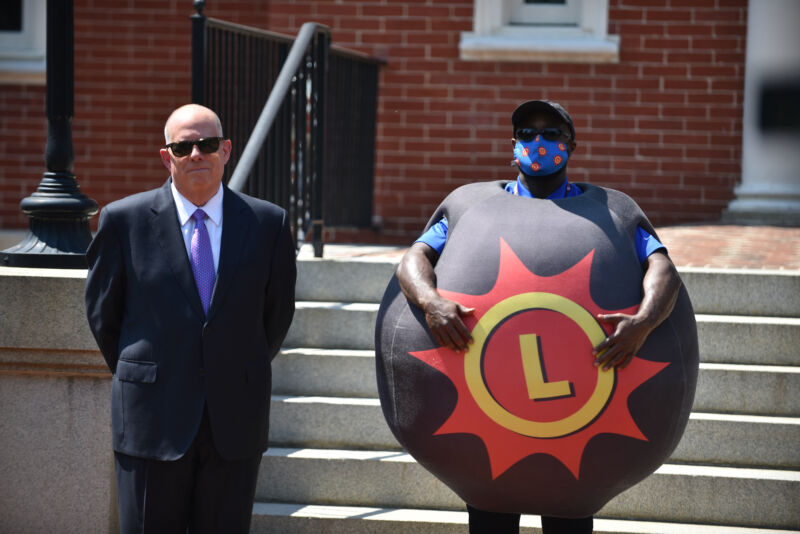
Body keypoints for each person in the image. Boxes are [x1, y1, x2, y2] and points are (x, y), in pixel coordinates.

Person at [395, 100, 681, 534]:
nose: (539, 143)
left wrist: (642, 324)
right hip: (489, 430)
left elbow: (662, 268)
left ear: (571, 146)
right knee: (492, 519)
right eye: (527, 134)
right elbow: (415, 258)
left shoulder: (613, 211)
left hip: (578, 437)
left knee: (567, 519)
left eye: (552, 134)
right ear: (513, 146)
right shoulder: (469, 206)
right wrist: (431, 303)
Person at [85, 104, 296, 534]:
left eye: (207, 144)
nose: (196, 153)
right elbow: (104, 316)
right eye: (183, 146)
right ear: (167, 156)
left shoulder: (267, 224)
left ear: (226, 151)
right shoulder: (123, 221)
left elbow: (275, 318)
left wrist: (229, 367)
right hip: (151, 420)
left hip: (234, 422)